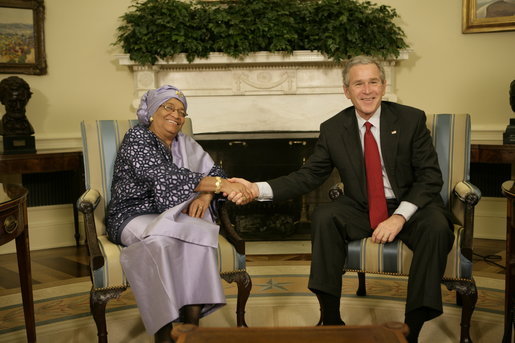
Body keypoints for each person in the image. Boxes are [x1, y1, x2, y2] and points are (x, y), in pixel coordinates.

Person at [230, 55, 454, 343]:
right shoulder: (334, 128)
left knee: (436, 225)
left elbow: (430, 178)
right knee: (324, 216)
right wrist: (255, 188)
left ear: (384, 86)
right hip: (362, 206)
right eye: (358, 84)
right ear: (346, 91)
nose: (367, 90)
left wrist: (399, 217)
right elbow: (308, 176)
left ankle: (412, 327)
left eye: (373, 82)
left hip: (412, 205)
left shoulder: (410, 119)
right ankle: (331, 319)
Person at [105, 85, 253, 343]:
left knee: (198, 233)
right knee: (161, 243)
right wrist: (219, 186)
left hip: (172, 215)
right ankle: (164, 331)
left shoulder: (185, 143)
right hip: (132, 214)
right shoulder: (137, 138)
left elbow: (216, 170)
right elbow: (164, 176)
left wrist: (207, 195)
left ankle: (191, 324)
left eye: (182, 111)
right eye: (169, 107)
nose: (177, 115)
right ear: (152, 112)